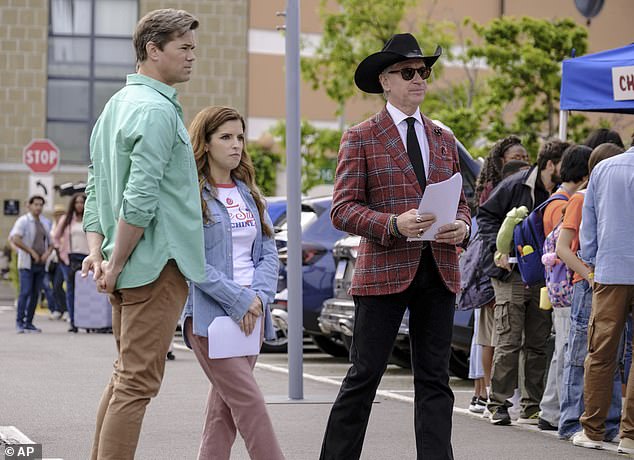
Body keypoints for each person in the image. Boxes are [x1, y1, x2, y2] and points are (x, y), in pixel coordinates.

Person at [320, 33, 471, 460]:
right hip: (385, 270)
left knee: (435, 381)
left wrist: (462, 226)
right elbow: (342, 209)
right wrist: (393, 223)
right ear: (385, 80)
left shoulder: (444, 136)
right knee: (364, 376)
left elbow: (462, 202)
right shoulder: (361, 136)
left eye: (424, 71)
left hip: (439, 269)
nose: (419, 79)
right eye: (409, 72)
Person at [81, 9, 205, 460]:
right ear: (154, 50)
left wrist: (99, 253)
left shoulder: (116, 105)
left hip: (128, 262)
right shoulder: (155, 110)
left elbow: (96, 187)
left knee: (124, 377)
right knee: (136, 384)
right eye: (184, 47)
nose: (193, 57)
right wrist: (110, 262)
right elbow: (139, 196)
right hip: (154, 265)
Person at [182, 106, 284, 460]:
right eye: (225, 137)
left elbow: (269, 253)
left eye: (240, 137)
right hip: (213, 318)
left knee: (223, 412)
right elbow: (193, 263)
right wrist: (239, 299)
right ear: (205, 143)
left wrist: (257, 298)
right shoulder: (193, 196)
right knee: (249, 402)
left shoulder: (249, 194)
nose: (236, 144)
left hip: (252, 317)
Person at [477, 139, 570, 426]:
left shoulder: (559, 192)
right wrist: (498, 248)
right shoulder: (516, 184)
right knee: (509, 336)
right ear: (551, 164)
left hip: (542, 273)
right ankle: (498, 402)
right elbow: (486, 216)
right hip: (511, 272)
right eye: (564, 166)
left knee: (539, 338)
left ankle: (531, 403)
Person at [557, 142, 625, 441]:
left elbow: (586, 241)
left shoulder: (604, 187)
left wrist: (596, 274)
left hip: (605, 279)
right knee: (586, 354)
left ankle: (601, 425)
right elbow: (564, 246)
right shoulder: (580, 198)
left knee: (603, 354)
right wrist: (591, 275)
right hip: (592, 282)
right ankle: (577, 422)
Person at [572, 143, 634, 454]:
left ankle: (593, 429)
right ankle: (631, 435)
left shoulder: (605, 168)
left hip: (611, 271)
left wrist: (593, 261)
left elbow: (589, 224)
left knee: (601, 351)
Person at [536, 144, 591, 432]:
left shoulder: (556, 200)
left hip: (556, 286)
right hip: (567, 285)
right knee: (567, 351)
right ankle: (554, 410)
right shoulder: (565, 203)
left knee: (563, 348)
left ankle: (551, 408)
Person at [9, 195, 54, 333]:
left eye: (41, 205)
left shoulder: (45, 222)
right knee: (25, 292)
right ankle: (19, 322)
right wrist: (31, 252)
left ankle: (29, 322)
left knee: (35, 294)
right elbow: (15, 239)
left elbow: (52, 243)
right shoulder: (23, 221)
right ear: (28, 205)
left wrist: (46, 254)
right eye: (35, 204)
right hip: (27, 263)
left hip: (41, 263)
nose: (38, 207)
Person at [53, 192, 89, 333]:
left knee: (87, 291)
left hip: (87, 258)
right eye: (77, 202)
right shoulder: (66, 220)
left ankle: (88, 322)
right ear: (73, 204)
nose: (79, 205)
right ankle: (73, 322)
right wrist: (61, 254)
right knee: (71, 291)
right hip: (70, 259)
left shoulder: (91, 218)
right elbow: (56, 238)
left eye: (82, 202)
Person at [475, 135, 530, 206]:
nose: (523, 162)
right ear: (502, 161)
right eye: (516, 158)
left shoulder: (531, 185)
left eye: (525, 158)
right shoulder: (492, 189)